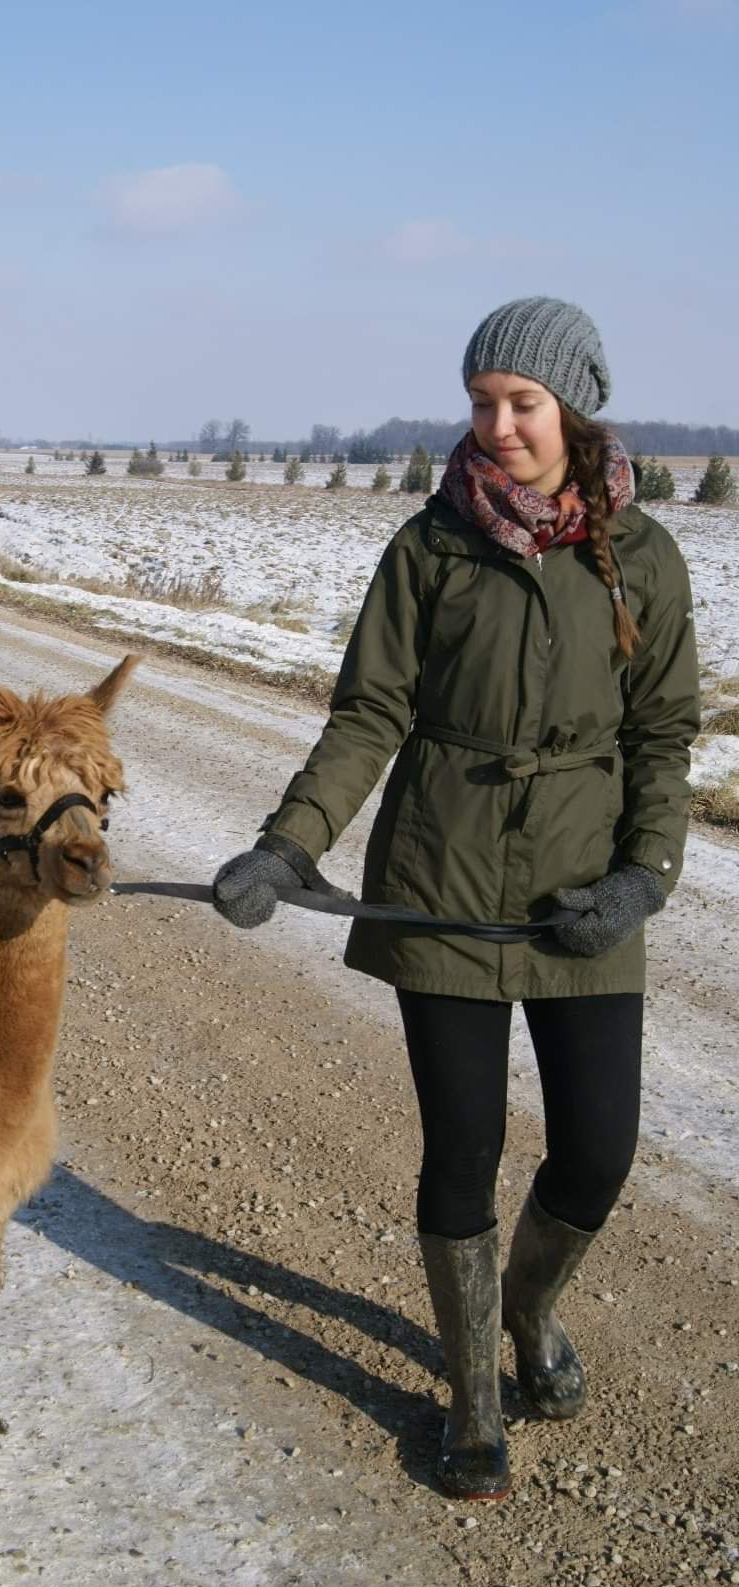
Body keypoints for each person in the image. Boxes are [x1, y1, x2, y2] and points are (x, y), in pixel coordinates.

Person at [213, 297, 700, 1502]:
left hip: (584, 884)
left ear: (573, 406)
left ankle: (530, 1312)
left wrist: (644, 875)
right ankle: (474, 1388)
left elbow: (663, 737)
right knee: (462, 1149)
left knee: (597, 1147)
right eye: (481, 402)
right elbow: (369, 714)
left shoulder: (642, 553)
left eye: (520, 404)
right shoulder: (430, 547)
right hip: (441, 878)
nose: (497, 425)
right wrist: (287, 847)